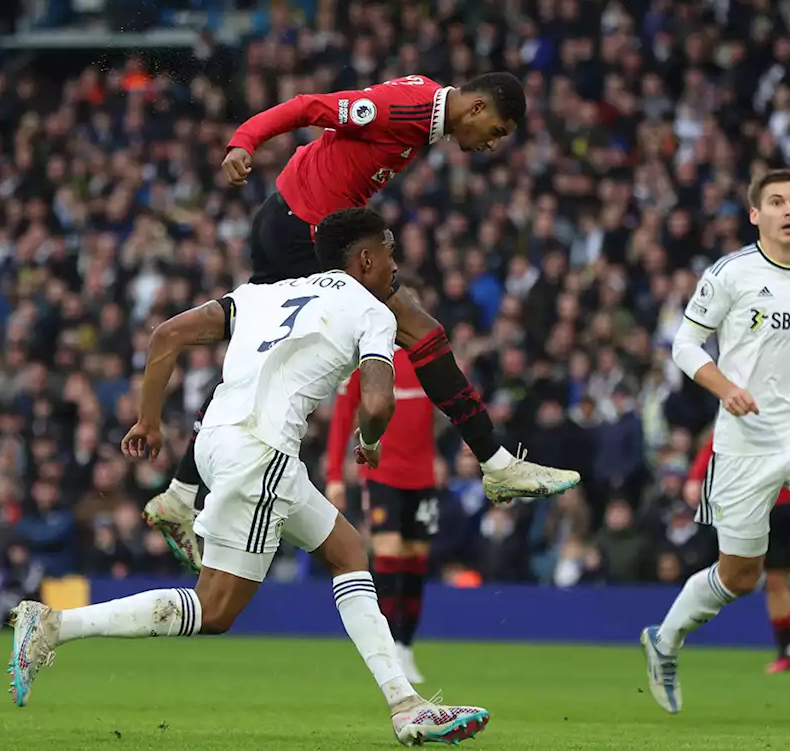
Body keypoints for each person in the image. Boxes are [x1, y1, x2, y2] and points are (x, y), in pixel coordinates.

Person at [8, 209, 490, 746]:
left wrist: (147, 419)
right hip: (262, 452)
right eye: (391, 253)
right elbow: (376, 402)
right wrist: (370, 440)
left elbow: (167, 334)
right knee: (213, 610)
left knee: (348, 552)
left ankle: (405, 704)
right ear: (366, 259)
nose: (396, 267)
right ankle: (53, 625)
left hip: (214, 442)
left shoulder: (267, 293)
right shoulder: (371, 309)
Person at [143, 73, 580, 573]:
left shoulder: (427, 112)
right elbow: (309, 105)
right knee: (420, 334)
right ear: (477, 108)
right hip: (302, 233)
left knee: (259, 359)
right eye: (498, 130)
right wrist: (244, 142)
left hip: (304, 224)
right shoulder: (405, 110)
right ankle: (496, 462)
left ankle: (179, 493)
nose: (493, 144)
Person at [641, 168, 790, 715]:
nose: (789, 209)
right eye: (776, 201)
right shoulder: (731, 273)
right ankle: (666, 639)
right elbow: (685, 343)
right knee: (742, 575)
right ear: (756, 214)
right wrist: (725, 387)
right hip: (746, 444)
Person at [326, 348, 437, 684]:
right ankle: (389, 649)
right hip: (381, 473)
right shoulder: (367, 363)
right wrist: (334, 476)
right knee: (388, 553)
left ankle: (405, 646)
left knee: (415, 560)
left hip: (423, 477)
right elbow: (342, 419)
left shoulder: (425, 359)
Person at [686, 434, 790, 674]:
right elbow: (724, 433)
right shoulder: (750, 400)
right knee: (775, 578)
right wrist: (696, 474)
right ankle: (787, 650)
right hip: (766, 500)